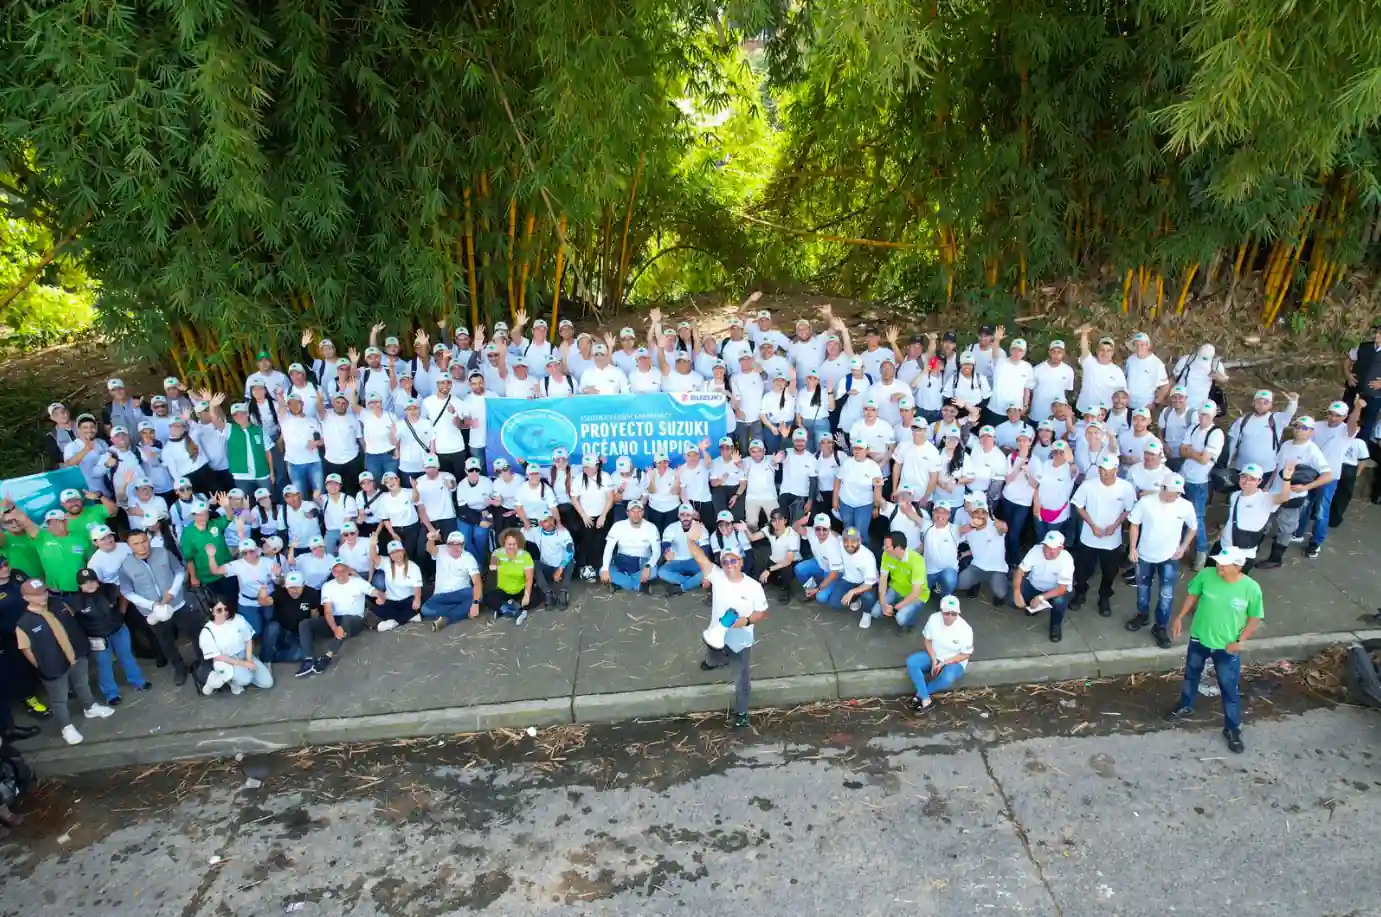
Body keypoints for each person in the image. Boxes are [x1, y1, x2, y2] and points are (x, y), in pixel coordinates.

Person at [1166, 546, 1264, 754]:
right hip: (1199, 639)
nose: (1218, 566)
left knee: (1229, 689)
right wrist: (1179, 617)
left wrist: (1241, 640)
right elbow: (1192, 595)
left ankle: (1232, 729)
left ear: (1238, 567)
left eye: (1223, 564)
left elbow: (1255, 617)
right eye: (1218, 562)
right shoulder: (1206, 575)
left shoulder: (1251, 588)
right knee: (1191, 675)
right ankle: (1186, 705)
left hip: (1226, 648)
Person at [685, 520, 768, 729]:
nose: (729, 565)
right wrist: (690, 538)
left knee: (741, 678)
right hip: (717, 633)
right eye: (725, 562)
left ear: (740, 562)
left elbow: (762, 612)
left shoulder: (754, 586)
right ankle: (715, 662)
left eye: (733, 561)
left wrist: (746, 621)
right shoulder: (718, 577)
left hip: (741, 639)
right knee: (712, 653)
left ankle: (742, 712)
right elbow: (698, 556)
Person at [15, 578, 113, 745]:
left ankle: (90, 707)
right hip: (53, 666)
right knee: (59, 699)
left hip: (76, 655)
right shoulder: (24, 623)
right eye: (37, 595)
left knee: (82, 683)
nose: (43, 597)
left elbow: (74, 621)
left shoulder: (59, 605)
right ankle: (66, 727)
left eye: (44, 592)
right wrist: (41, 666)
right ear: (26, 598)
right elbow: (26, 650)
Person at [1126, 474, 1198, 647]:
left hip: (1169, 557)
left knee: (1166, 595)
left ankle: (1160, 626)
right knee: (1143, 589)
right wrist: (1132, 548)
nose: (1175, 496)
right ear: (1163, 488)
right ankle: (1142, 615)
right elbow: (1134, 524)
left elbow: (1193, 527)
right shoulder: (1146, 503)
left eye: (1178, 493)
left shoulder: (1185, 506)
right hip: (1144, 555)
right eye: (1172, 492)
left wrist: (1183, 547)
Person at [1257, 416, 1334, 567]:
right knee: (1264, 520)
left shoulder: (1312, 450)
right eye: (1297, 426)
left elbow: (1328, 475)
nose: (1299, 430)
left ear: (1311, 431)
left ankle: (1275, 559)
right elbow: (1277, 467)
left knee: (1286, 527)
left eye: (1304, 428)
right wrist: (1268, 486)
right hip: (1275, 491)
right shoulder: (1286, 444)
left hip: (1293, 495)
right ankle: (1253, 547)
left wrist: (1306, 487)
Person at [68, 568, 149, 705]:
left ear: (97, 581)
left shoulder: (109, 589)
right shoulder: (75, 601)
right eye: (85, 582)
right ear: (80, 585)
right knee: (104, 665)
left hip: (118, 630)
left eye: (92, 581)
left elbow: (124, 594)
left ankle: (138, 682)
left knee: (127, 657)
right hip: (97, 638)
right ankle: (111, 694)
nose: (89, 584)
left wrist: (121, 612)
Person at [1070, 455, 1137, 616]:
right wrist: (1092, 525)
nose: (1103, 473)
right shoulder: (1088, 485)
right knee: (1082, 569)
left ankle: (1104, 596)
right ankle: (1080, 592)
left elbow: (1129, 509)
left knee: (1109, 571)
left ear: (1116, 470)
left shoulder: (1126, 488)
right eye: (1101, 470)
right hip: (1088, 537)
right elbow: (1078, 505)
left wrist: (1116, 525)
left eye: (1107, 471)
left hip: (1111, 540)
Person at [299, 560, 376, 676]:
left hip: (354, 620)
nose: (340, 574)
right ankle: (308, 659)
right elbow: (328, 611)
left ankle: (327, 656)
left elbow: (374, 592)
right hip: (336, 620)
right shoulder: (328, 586)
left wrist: (380, 595)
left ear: (348, 571)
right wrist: (334, 628)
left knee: (346, 620)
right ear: (333, 573)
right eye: (336, 571)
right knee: (304, 624)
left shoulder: (359, 582)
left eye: (343, 570)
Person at [902, 595, 974, 714]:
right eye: (946, 613)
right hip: (935, 655)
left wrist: (945, 662)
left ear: (958, 613)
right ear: (941, 611)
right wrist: (934, 659)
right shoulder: (933, 619)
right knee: (912, 662)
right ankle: (925, 698)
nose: (950, 617)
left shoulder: (965, 629)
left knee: (947, 677)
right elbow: (927, 640)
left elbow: (966, 654)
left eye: (954, 613)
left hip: (954, 660)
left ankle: (920, 694)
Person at [1178, 401, 1225, 569]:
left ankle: (1201, 551)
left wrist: (1191, 453)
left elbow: (1204, 459)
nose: (1202, 417)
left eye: (1205, 415)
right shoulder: (1193, 428)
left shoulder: (1216, 433)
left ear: (1212, 416)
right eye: (1200, 414)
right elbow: (1182, 450)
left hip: (1200, 481)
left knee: (1196, 517)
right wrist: (1195, 454)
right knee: (1181, 514)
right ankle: (1183, 547)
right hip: (1185, 477)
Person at [197, 599, 274, 696]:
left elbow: (248, 639)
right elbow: (218, 656)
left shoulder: (237, 619)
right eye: (219, 610)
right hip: (226, 660)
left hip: (243, 654)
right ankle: (228, 680)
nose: (224, 613)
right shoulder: (207, 631)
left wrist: (249, 659)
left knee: (267, 683)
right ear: (211, 610)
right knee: (246, 679)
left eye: (226, 609)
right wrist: (243, 664)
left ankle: (234, 676)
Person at [1013, 531, 1075, 642]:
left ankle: (1055, 625)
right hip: (1034, 586)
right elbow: (1020, 570)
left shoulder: (1067, 560)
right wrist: (1017, 591)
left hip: (1054, 591)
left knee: (1059, 601)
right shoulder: (1036, 550)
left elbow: (1061, 589)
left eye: (1052, 548)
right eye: (1046, 546)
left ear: (1061, 547)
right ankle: (1035, 606)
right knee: (1011, 597)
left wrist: (1041, 597)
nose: (1047, 551)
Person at [422, 530, 484, 628]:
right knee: (425, 609)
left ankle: (447, 618)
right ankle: (462, 610)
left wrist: (475, 603)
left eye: (458, 544)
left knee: (477, 596)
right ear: (447, 545)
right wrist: (430, 539)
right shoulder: (441, 550)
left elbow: (477, 581)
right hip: (441, 594)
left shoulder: (468, 557)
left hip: (461, 592)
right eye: (452, 544)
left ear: (463, 545)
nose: (455, 547)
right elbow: (429, 549)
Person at [876, 531, 930, 630]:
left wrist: (894, 608)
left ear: (898, 548)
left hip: (917, 596)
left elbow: (916, 593)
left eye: (887, 547)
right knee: (876, 612)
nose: (884, 549)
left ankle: (911, 619)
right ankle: (900, 607)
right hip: (896, 588)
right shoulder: (886, 555)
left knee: (900, 619)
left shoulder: (917, 561)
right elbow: (883, 580)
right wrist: (883, 603)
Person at [601, 501, 659, 593]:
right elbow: (609, 548)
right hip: (622, 560)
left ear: (643, 512)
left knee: (654, 571)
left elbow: (657, 551)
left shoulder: (651, 527)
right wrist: (604, 569)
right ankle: (637, 585)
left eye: (639, 511)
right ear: (627, 513)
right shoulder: (618, 526)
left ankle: (623, 581)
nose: (636, 514)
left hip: (642, 561)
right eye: (633, 511)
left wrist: (648, 566)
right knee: (602, 571)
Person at [369, 534, 423, 632]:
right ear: (390, 555)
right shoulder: (386, 563)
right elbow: (375, 558)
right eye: (392, 553)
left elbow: (417, 586)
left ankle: (394, 622)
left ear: (403, 551)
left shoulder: (414, 567)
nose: (396, 555)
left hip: (407, 599)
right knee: (376, 609)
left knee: (414, 606)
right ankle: (409, 617)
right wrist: (372, 545)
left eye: (398, 551)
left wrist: (417, 599)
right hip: (391, 600)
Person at [526, 509, 576, 607]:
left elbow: (570, 549)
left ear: (553, 519)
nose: (544, 524)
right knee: (534, 563)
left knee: (571, 561)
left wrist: (560, 569)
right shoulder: (536, 531)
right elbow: (518, 535)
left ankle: (564, 592)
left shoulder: (562, 531)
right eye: (542, 521)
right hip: (547, 568)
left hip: (561, 568)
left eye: (547, 520)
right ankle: (548, 593)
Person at [265, 571, 317, 663]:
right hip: (281, 630)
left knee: (301, 654)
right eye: (291, 588)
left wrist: (309, 634)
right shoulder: (279, 593)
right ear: (285, 587)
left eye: (297, 587)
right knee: (272, 627)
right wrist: (262, 595)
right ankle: (264, 659)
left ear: (303, 586)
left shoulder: (311, 593)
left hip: (297, 634)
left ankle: (275, 656)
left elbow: (314, 614)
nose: (294, 591)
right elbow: (266, 602)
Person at [657, 504, 710, 596]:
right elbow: (666, 544)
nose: (685, 517)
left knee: (708, 571)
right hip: (675, 561)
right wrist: (666, 553)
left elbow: (705, 551)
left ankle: (682, 587)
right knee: (661, 572)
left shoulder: (701, 528)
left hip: (694, 561)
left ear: (692, 515)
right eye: (682, 514)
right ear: (678, 516)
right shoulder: (671, 527)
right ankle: (691, 582)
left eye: (688, 514)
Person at [749, 508, 799, 604]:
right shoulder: (769, 530)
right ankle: (776, 579)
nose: (777, 522)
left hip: (789, 563)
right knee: (760, 578)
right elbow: (752, 538)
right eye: (773, 519)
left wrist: (768, 570)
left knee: (786, 570)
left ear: (785, 520)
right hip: (774, 560)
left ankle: (786, 589)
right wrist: (745, 529)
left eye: (780, 519)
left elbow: (788, 560)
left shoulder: (793, 535)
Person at [486, 528, 536, 624]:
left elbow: (529, 578)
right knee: (488, 598)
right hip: (503, 590)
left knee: (535, 597)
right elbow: (493, 564)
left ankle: (503, 608)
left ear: (519, 544)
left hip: (520, 589)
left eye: (515, 544)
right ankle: (515, 611)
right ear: (504, 543)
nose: (512, 547)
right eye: (509, 544)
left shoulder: (526, 556)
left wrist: (526, 595)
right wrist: (495, 563)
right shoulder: (498, 553)